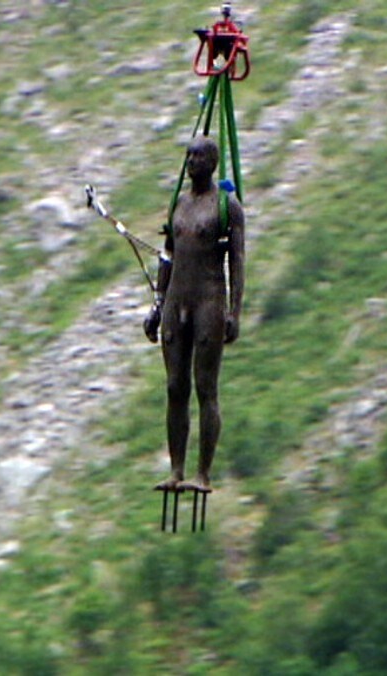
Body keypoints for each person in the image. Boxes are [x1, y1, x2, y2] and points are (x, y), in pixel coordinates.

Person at [143, 136, 245, 493]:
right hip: (176, 302)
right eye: (187, 155)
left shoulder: (226, 206)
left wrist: (235, 311)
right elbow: (167, 255)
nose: (191, 162)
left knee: (205, 388)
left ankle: (203, 473)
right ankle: (176, 469)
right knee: (175, 387)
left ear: (213, 162)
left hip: (209, 300)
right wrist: (157, 306)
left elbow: (238, 261)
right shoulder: (179, 204)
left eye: (198, 156)